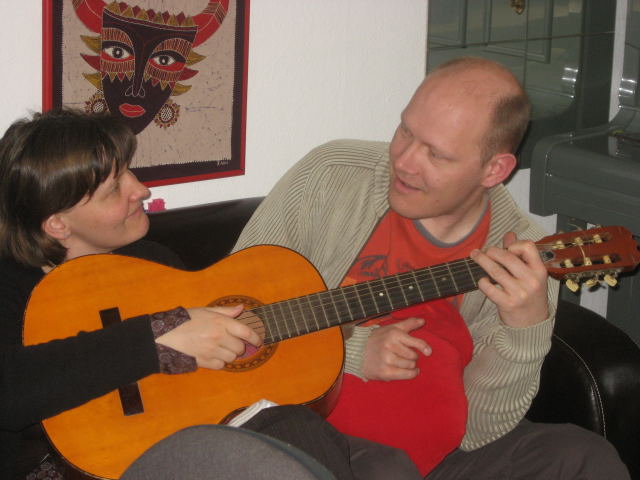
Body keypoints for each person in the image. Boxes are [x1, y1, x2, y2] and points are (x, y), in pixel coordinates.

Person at [233, 56, 631, 478]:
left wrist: (525, 328)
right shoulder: (331, 175)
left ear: (494, 169)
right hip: (307, 432)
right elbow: (232, 313)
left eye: (436, 155)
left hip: (445, 456)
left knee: (585, 457)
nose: (404, 161)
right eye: (406, 130)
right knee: (386, 468)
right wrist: (351, 351)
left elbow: (481, 430)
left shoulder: (522, 258)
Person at [0, 109, 419, 480]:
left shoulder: (151, 261)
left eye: (129, 171)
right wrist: (158, 337)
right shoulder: (9, 282)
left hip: (179, 436)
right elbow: (12, 388)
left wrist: (338, 330)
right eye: (114, 189)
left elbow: (204, 384)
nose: (141, 190)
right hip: (64, 465)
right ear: (58, 224)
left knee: (374, 459)